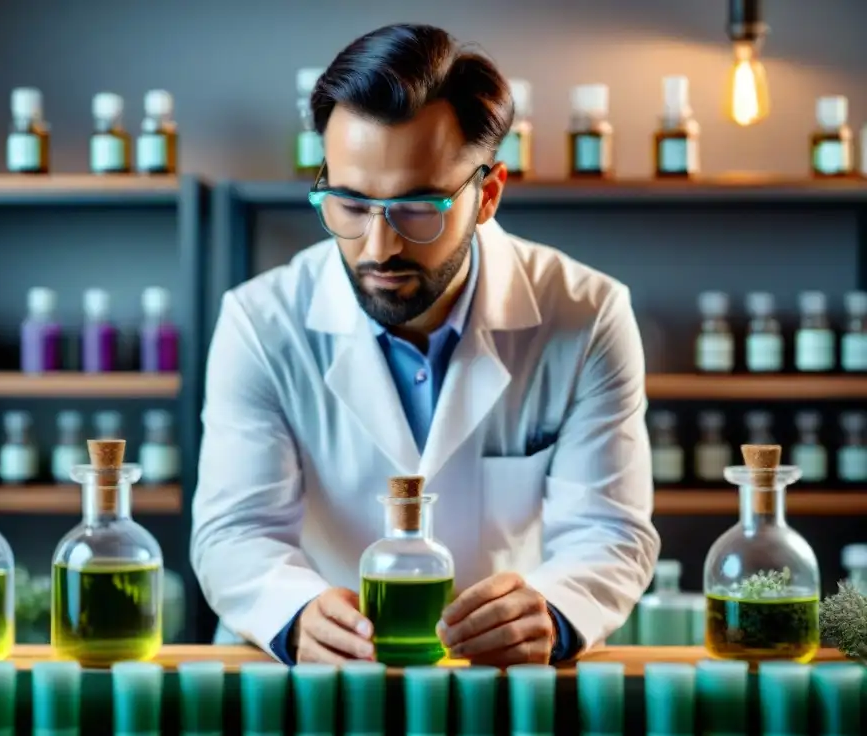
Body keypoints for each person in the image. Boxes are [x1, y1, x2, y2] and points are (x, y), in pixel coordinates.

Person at [191, 22, 659, 667]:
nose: (379, 247)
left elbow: (609, 532)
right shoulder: (260, 320)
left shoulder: (586, 315)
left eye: (417, 209)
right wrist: (294, 613)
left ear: (486, 195)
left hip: (495, 674)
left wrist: (551, 612)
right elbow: (234, 533)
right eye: (350, 205)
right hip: (311, 674)